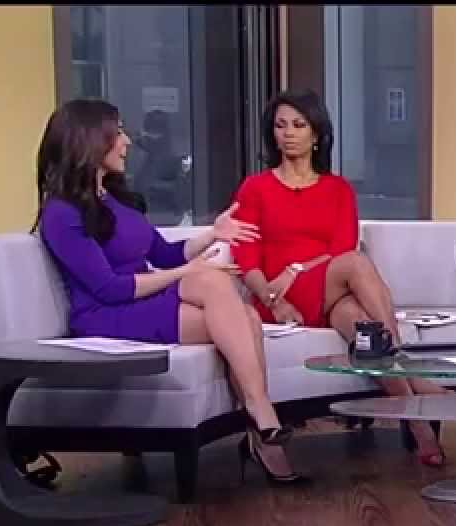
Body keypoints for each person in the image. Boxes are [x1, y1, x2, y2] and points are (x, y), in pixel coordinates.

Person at [33, 98, 307, 486]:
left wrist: (213, 233)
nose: (127, 142)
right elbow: (108, 288)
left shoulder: (115, 199)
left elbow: (163, 254)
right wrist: (187, 273)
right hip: (104, 316)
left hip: (138, 302)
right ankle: (261, 415)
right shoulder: (61, 213)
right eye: (118, 133)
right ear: (90, 140)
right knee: (217, 287)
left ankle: (261, 426)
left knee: (243, 313)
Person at [230, 89, 450, 467]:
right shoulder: (256, 188)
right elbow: (246, 257)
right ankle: (407, 367)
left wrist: (297, 269)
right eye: (281, 125)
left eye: (299, 125)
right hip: (279, 298)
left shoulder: (337, 190)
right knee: (357, 265)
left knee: (364, 329)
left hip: (327, 292)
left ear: (316, 134)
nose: (289, 133)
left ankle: (416, 422)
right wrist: (273, 299)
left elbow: (340, 246)